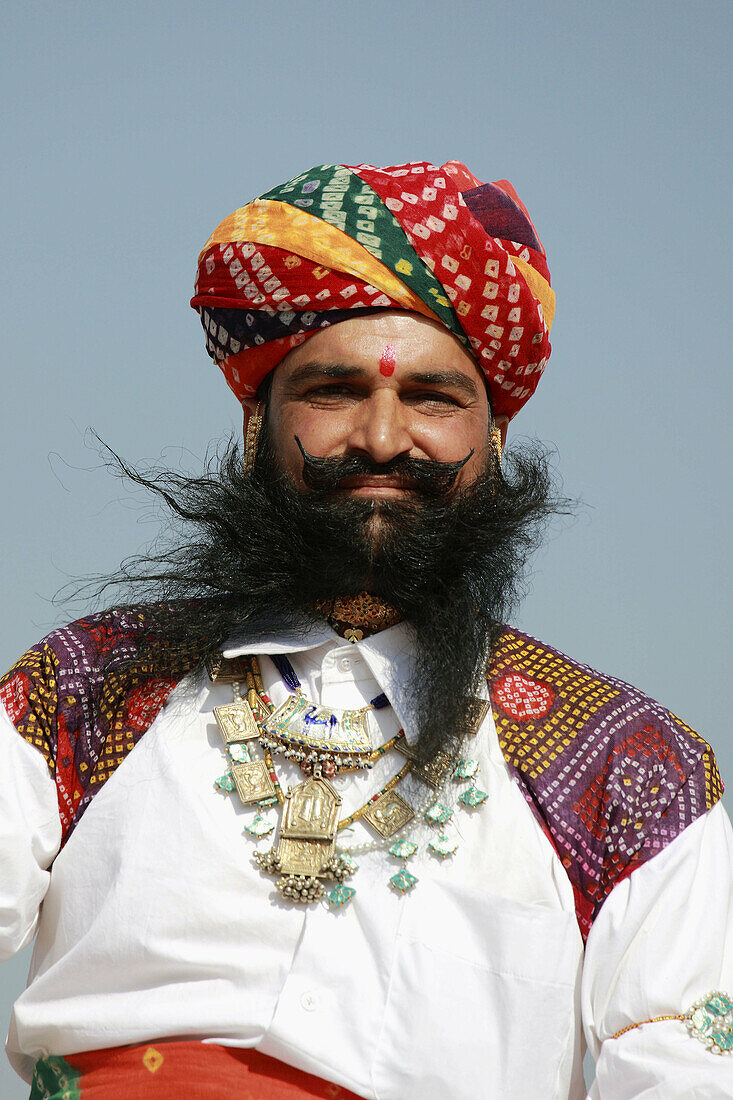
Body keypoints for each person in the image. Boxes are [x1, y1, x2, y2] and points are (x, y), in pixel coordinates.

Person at [1, 159, 731, 1100]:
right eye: (334, 391)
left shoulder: (623, 766)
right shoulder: (89, 685)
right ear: (257, 423)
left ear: (494, 436)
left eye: (432, 399)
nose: (384, 437)